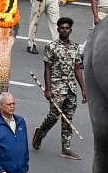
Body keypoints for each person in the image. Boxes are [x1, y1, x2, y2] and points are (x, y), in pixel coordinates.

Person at [32, 16, 87, 159]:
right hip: (57, 87)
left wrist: (83, 89)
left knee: (68, 118)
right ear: (58, 29)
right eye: (62, 28)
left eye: (67, 28)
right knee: (54, 116)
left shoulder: (75, 47)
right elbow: (48, 69)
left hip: (71, 89)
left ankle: (66, 148)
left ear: (71, 30)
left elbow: (77, 69)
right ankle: (40, 133)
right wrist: (48, 89)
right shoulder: (51, 47)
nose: (64, 30)